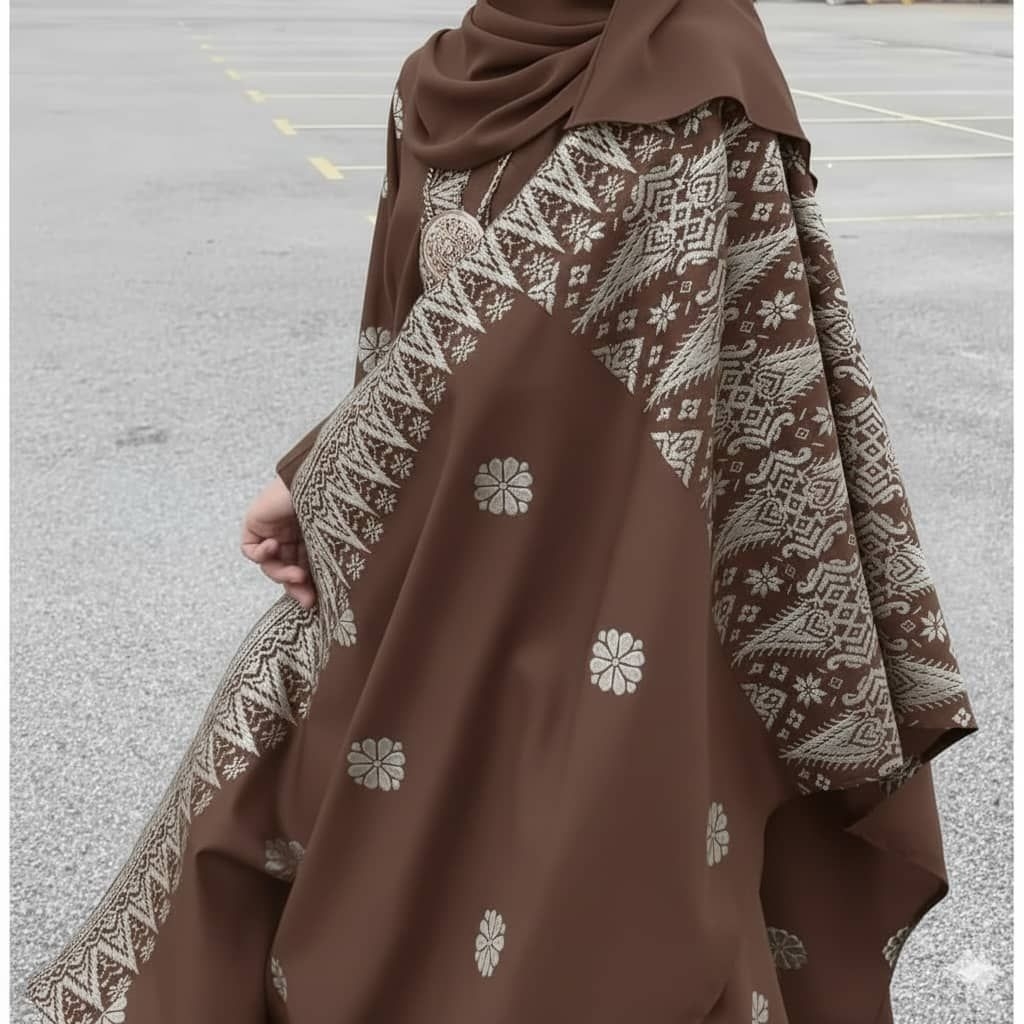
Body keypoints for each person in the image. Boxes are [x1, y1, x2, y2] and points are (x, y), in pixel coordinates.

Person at [24, 1, 979, 1021]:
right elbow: (409, 350)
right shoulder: (439, 84)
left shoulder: (694, 69)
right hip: (452, 571)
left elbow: (686, 362)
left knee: (580, 922)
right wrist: (329, 483)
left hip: (626, 586)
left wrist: (320, 474)